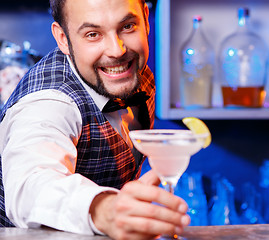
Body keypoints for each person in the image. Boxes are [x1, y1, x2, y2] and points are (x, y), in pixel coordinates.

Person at [0, 0, 190, 239]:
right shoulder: (49, 102)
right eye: (93, 34)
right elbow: (30, 186)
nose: (117, 50)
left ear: (144, 18)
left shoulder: (135, 75)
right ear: (62, 38)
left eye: (128, 27)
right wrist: (104, 210)